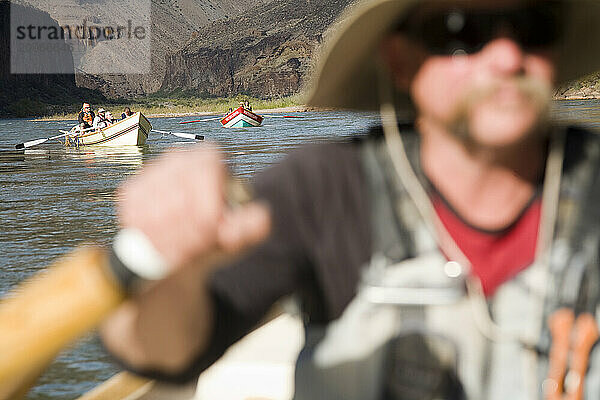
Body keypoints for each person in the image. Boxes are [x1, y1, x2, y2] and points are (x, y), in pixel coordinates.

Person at [101, 0, 600, 399]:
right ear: (400, 61)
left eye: (532, 25)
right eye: (460, 30)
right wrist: (163, 263)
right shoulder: (325, 187)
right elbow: (158, 353)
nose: (508, 58)